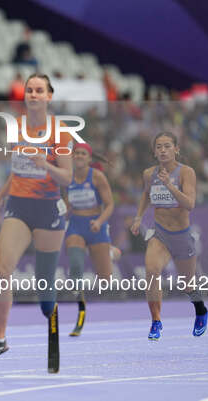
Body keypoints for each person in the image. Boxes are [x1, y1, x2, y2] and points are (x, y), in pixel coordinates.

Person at [0, 74, 73, 366]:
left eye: (39, 90)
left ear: (49, 96)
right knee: (1, 270)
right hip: (18, 206)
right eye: (29, 90)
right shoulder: (16, 127)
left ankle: (51, 313)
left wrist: (45, 163)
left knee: (45, 287)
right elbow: (17, 169)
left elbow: (67, 177)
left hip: (48, 209)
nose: (33, 94)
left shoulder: (60, 131)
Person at [130, 132, 208, 340]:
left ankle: (201, 310)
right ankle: (156, 321)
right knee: (151, 270)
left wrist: (170, 185)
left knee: (187, 285)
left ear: (176, 149)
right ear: (154, 152)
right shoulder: (149, 174)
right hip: (160, 234)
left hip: (182, 236)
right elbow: (146, 194)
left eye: (167, 146)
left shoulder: (186, 173)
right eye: (158, 147)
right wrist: (138, 217)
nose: (163, 150)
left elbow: (189, 204)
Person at [63, 143, 114, 337]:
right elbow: (67, 204)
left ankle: (112, 252)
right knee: (75, 265)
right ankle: (80, 313)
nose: (79, 156)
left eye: (83, 153)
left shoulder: (98, 177)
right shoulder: (67, 177)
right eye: (76, 153)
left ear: (89, 158)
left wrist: (100, 222)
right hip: (76, 225)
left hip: (96, 226)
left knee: (105, 281)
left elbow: (110, 205)